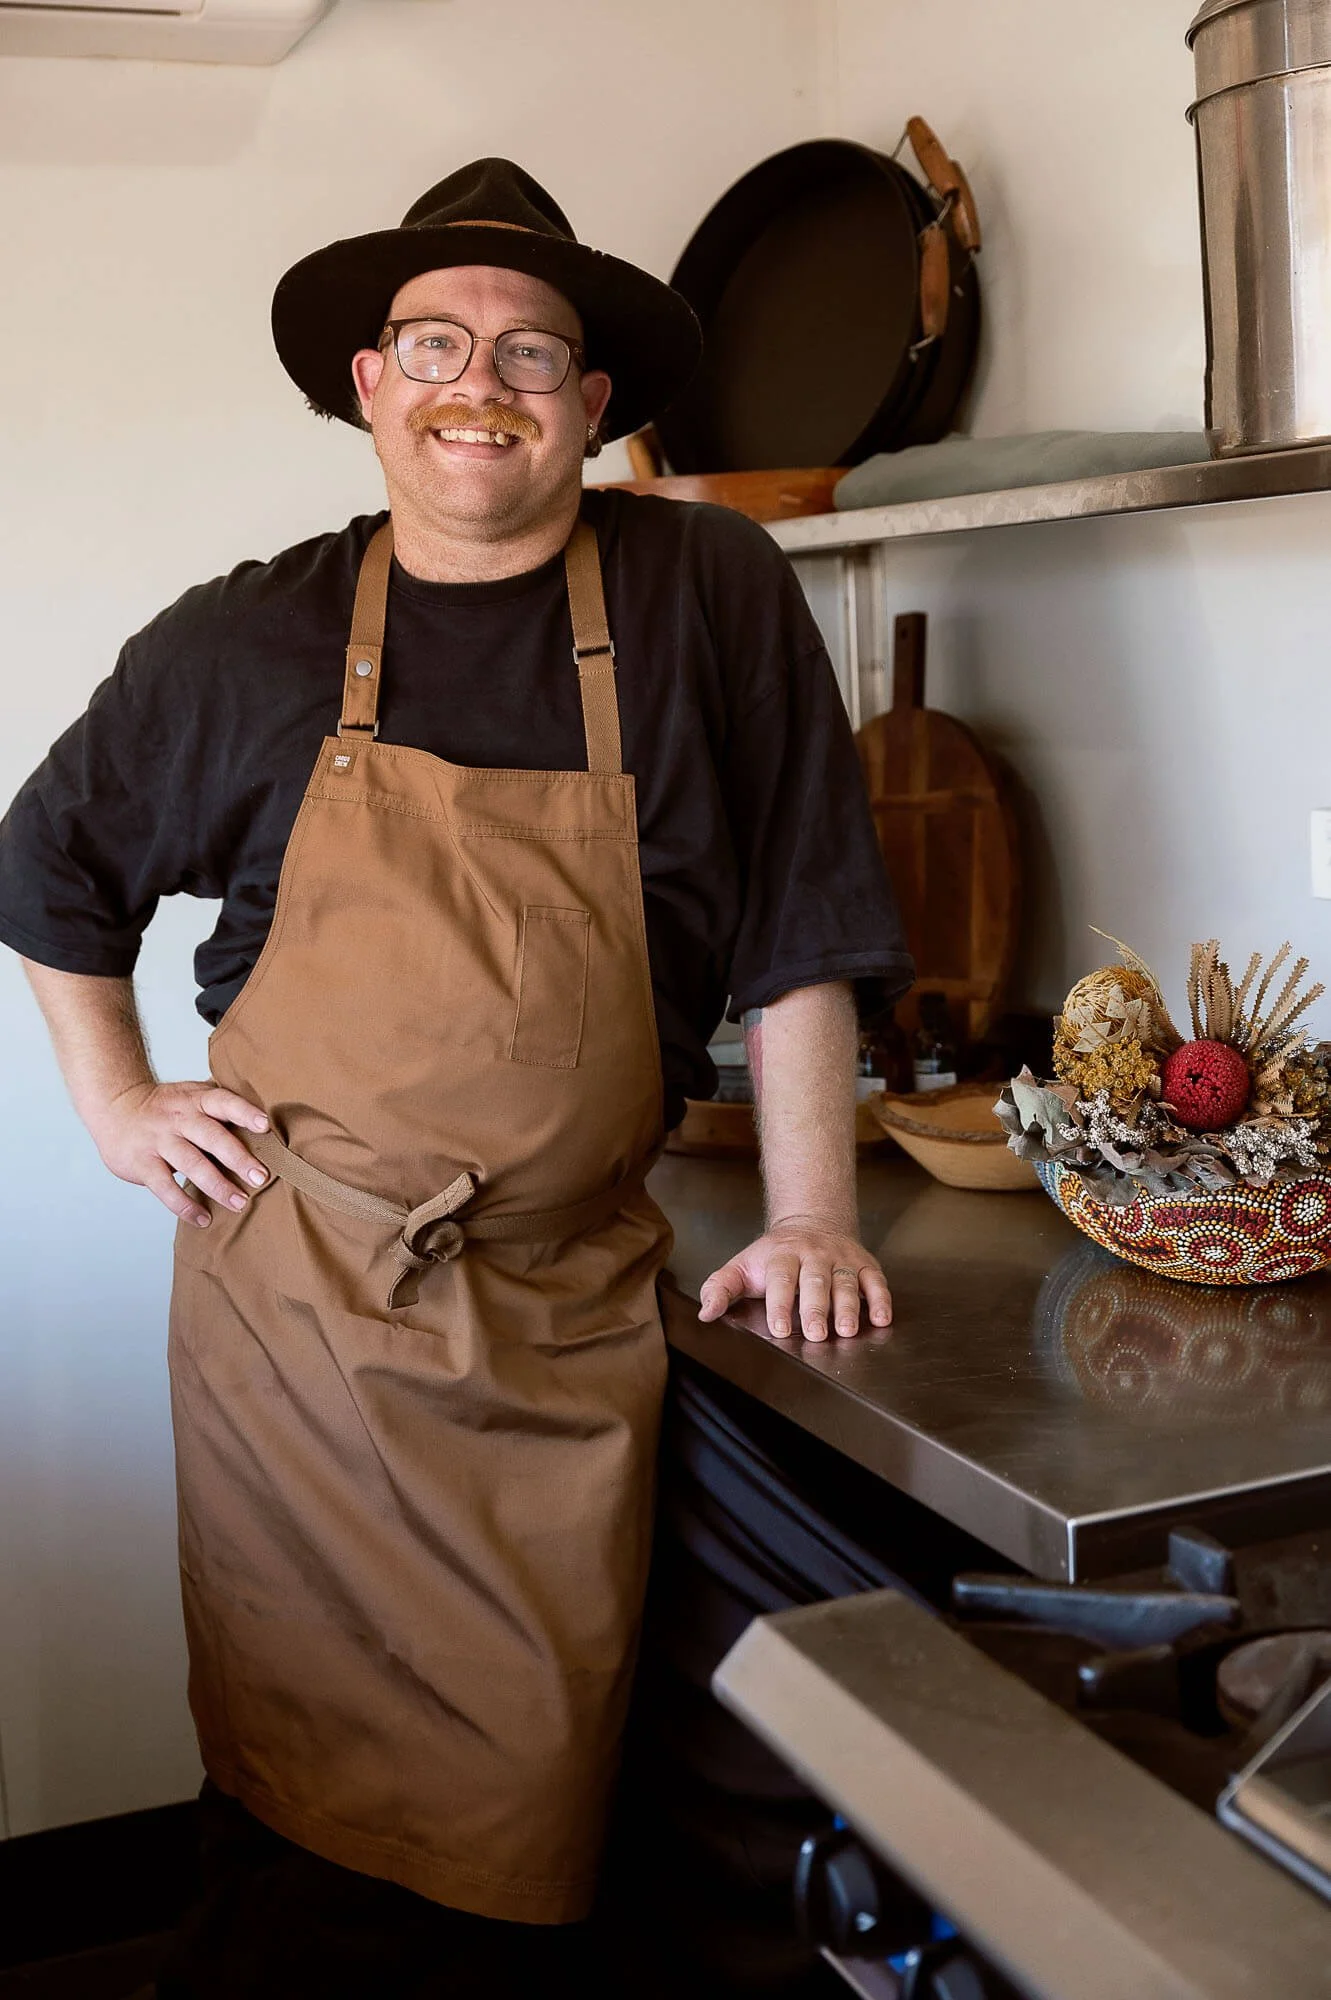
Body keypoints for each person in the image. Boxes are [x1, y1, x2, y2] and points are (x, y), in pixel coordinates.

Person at [0, 158, 911, 1996]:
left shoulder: (704, 591)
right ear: (368, 385)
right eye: (432, 340)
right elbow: (46, 873)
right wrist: (119, 1109)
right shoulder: (249, 635)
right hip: (302, 1316)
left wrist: (812, 1212)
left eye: (524, 348)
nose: (472, 379)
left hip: (569, 1304)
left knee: (542, 1795)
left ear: (588, 404)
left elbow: (802, 923)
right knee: (306, 1797)